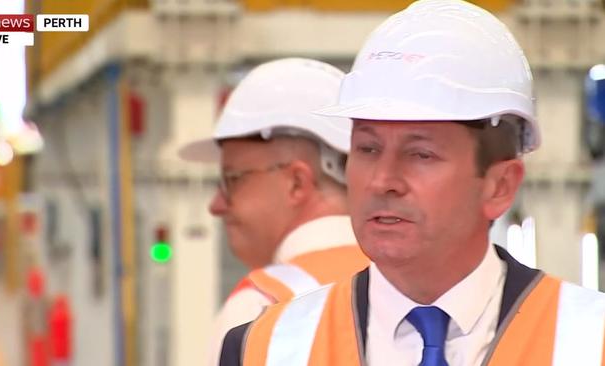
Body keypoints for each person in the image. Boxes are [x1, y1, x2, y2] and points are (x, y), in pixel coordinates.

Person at [219, 1, 605, 365]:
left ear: (500, 186)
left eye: (420, 154)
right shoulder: (267, 348)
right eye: (368, 149)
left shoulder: (590, 341)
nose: (383, 181)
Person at [178, 58, 369, 365]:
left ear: (297, 182)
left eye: (232, 180)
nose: (216, 205)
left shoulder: (258, 309)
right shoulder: (414, 292)